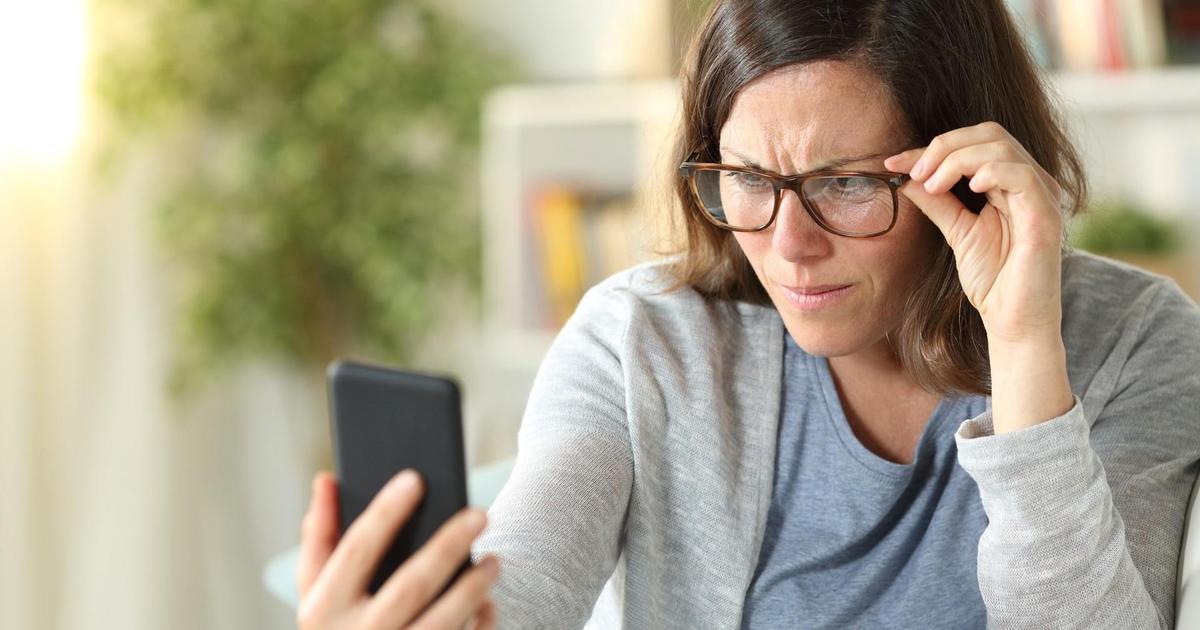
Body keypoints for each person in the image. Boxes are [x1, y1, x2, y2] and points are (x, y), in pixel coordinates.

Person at [293, 0, 1200, 628]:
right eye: (748, 179)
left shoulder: (1135, 342)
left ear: (964, 172)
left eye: (846, 184)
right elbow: (524, 580)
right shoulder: (641, 340)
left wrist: (1025, 343)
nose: (789, 245)